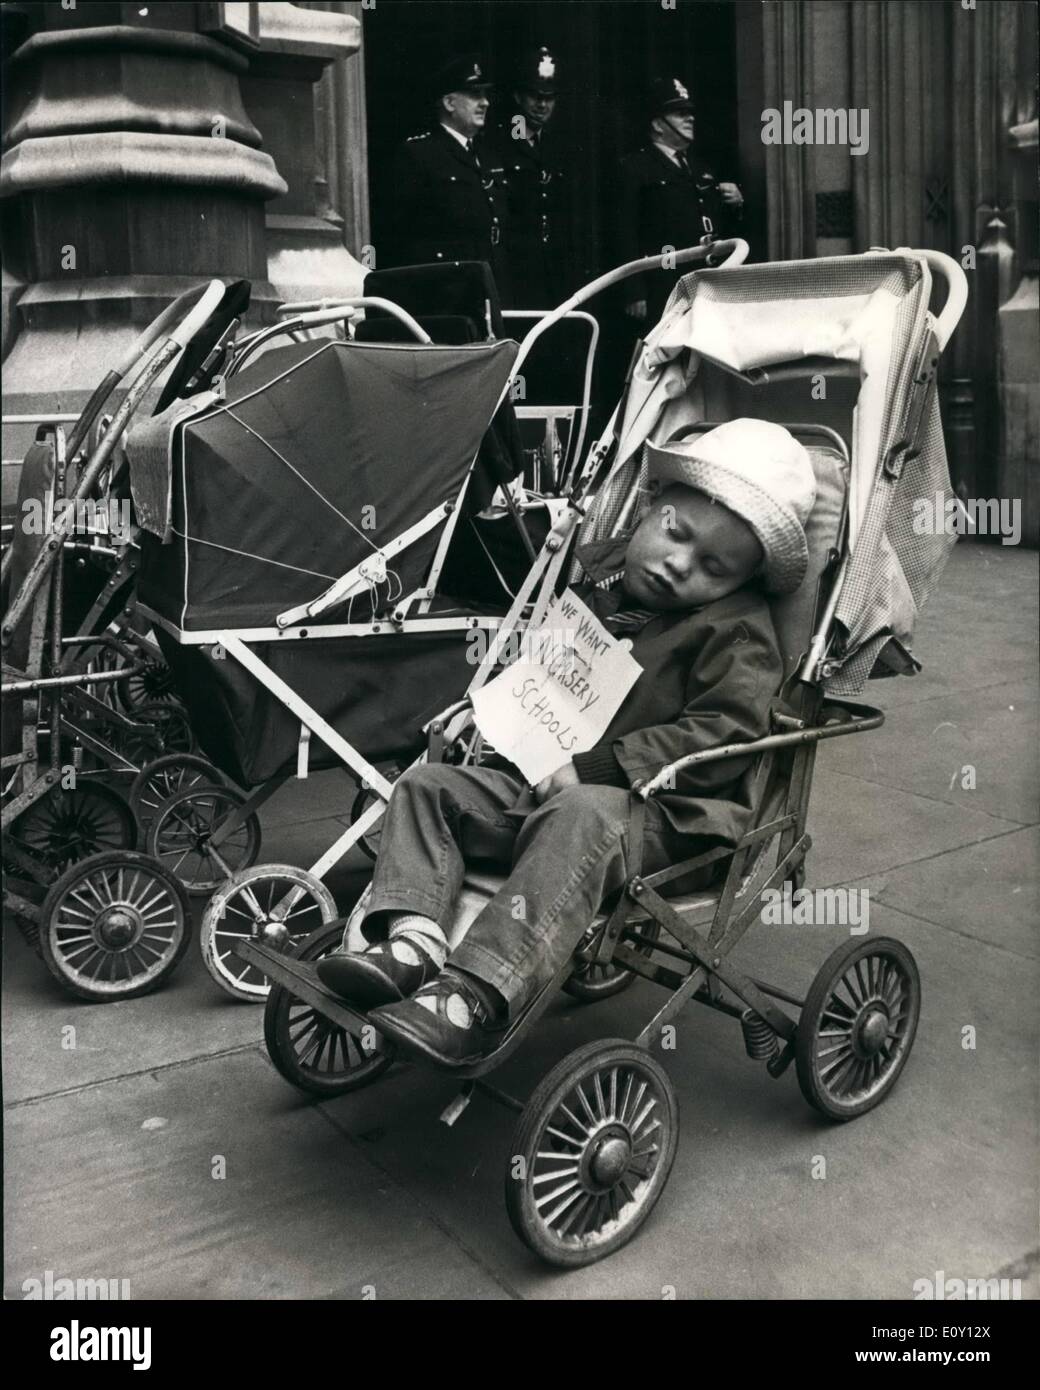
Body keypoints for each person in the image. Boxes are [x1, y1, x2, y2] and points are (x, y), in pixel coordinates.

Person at [318, 419, 816, 1067]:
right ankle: (415, 942)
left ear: (741, 583)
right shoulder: (601, 580)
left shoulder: (737, 636)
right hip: (543, 787)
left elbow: (724, 734)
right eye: (676, 534)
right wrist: (492, 710)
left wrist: (597, 767)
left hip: (661, 820)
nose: (678, 565)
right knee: (427, 786)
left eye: (712, 568)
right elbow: (546, 670)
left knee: (584, 813)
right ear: (646, 510)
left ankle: (472, 992)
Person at [616, 76, 744, 330]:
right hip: (663, 285)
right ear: (657, 124)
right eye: (679, 113)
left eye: (690, 113)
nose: (690, 118)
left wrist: (737, 204)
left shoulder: (700, 168)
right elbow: (624, 232)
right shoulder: (634, 168)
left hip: (705, 282)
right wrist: (634, 292)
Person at [386, 54, 510, 291]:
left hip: (491, 282)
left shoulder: (487, 156)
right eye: (475, 95)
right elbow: (402, 236)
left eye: (485, 95)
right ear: (449, 103)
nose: (485, 103)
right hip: (447, 288)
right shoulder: (419, 154)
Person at [482, 45, 569, 308]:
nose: (542, 104)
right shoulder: (497, 142)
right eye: (535, 96)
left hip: (552, 268)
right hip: (515, 270)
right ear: (519, 97)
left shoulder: (556, 145)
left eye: (549, 97)